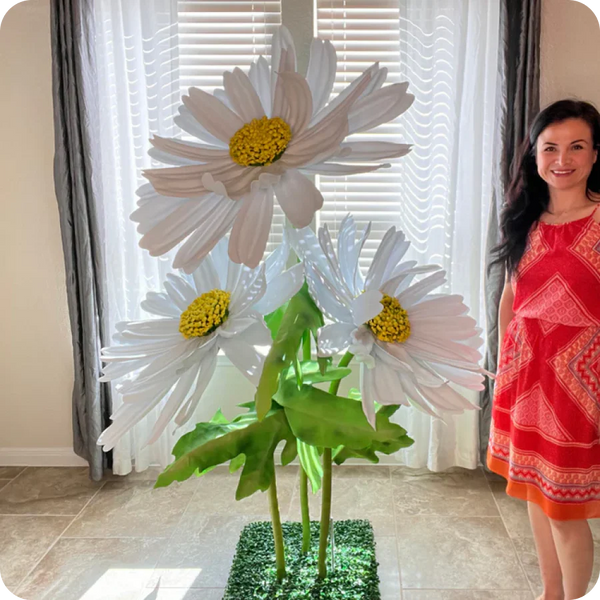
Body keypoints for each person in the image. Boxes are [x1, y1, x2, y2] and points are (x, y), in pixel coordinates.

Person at [488, 99, 600, 600]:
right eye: (550, 147)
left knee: (564, 509)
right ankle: (549, 592)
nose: (562, 159)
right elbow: (511, 297)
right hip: (525, 374)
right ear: (534, 154)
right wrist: (502, 363)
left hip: (579, 382)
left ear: (595, 153)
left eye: (576, 146)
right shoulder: (525, 220)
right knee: (534, 491)